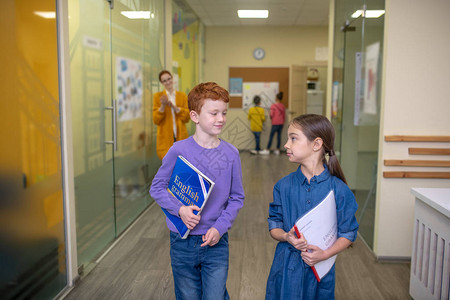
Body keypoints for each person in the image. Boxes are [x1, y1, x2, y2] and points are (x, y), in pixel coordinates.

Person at [150, 82, 245, 300]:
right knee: (188, 296)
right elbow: (157, 187)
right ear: (194, 116)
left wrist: (220, 228)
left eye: (224, 113)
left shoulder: (231, 154)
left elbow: (237, 197)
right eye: (214, 113)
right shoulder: (178, 150)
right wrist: (179, 209)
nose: (221, 118)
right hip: (181, 240)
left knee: (215, 296)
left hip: (216, 240)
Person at [265, 114, 359, 300]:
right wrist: (286, 236)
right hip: (286, 268)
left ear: (316, 144)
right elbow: (274, 225)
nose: (286, 144)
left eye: (293, 138)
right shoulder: (283, 186)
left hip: (320, 271)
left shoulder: (338, 190)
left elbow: (348, 233)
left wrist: (324, 254)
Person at [153, 70, 190, 160]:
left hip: (180, 135)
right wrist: (163, 105)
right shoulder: (158, 97)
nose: (167, 82)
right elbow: (156, 120)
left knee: (181, 164)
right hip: (165, 138)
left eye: (169, 79)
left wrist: (174, 107)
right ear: (161, 83)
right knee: (168, 165)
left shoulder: (182, 96)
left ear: (172, 79)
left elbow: (187, 117)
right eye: (164, 81)